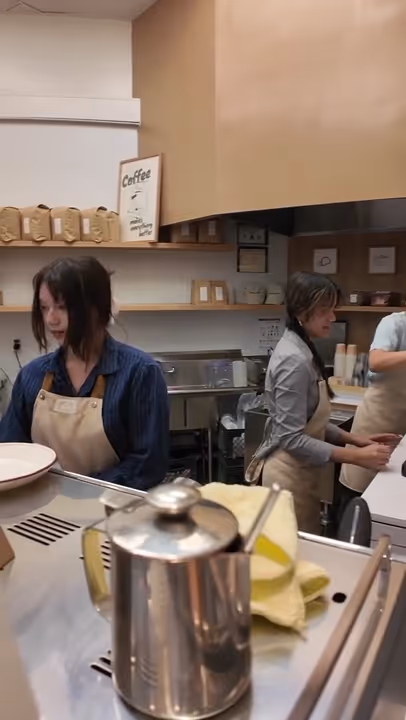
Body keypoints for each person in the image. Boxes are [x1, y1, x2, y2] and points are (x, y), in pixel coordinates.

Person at [246, 271, 397, 534]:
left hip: (300, 474)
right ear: (303, 312)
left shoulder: (302, 348)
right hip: (286, 476)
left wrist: (355, 439)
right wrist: (355, 457)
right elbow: (291, 438)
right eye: (326, 310)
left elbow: (310, 421)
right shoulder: (294, 360)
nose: (333, 318)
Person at [0, 257, 169, 490]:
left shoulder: (139, 373)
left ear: (96, 308)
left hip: (114, 511)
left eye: (62, 307)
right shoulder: (31, 376)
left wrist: (78, 490)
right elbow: (11, 451)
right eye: (44, 307)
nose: (51, 319)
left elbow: (148, 464)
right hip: (42, 509)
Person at [340, 311, 406, 496]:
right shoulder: (393, 323)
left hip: (402, 430)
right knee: (359, 495)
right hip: (378, 422)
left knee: (391, 498)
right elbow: (376, 361)